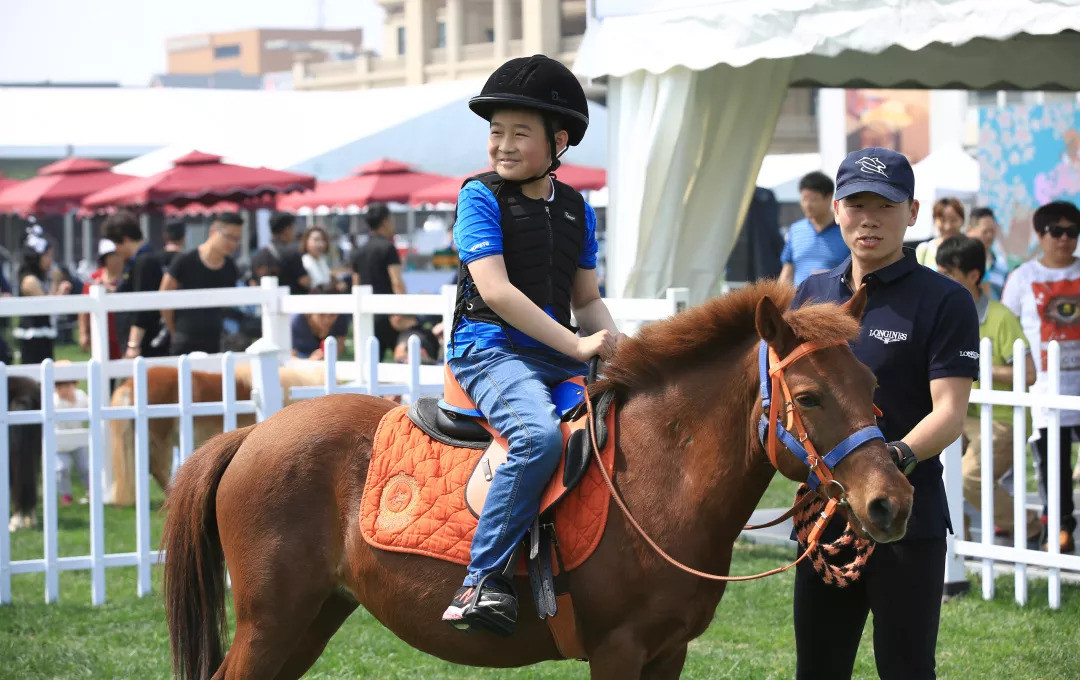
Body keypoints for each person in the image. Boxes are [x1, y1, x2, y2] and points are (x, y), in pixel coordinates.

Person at [438, 54, 622, 634]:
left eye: (520, 133)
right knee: (538, 437)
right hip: (488, 349)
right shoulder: (478, 196)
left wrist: (620, 348)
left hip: (553, 355)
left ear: (558, 141)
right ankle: (481, 582)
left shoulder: (577, 208)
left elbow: (586, 300)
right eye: (497, 132)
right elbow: (494, 290)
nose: (503, 145)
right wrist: (576, 346)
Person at [791, 147, 979, 679]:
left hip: (905, 517)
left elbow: (949, 412)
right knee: (818, 670)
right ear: (836, 209)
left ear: (912, 213)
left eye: (886, 206)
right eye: (856, 204)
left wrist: (889, 462)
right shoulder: (811, 294)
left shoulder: (944, 300)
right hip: (824, 518)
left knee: (906, 669)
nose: (868, 219)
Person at [935, 235, 1041, 543]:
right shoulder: (944, 315)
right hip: (959, 415)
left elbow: (1029, 374)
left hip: (1002, 419)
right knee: (934, 471)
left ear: (973, 275)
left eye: (948, 273)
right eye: (939, 272)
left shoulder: (1000, 317)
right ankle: (959, 542)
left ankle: (1030, 527)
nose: (940, 280)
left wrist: (976, 367)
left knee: (971, 478)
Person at [1001, 200, 1080, 554]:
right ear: (1039, 234)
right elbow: (1006, 329)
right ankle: (1059, 528)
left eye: (1072, 232)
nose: (1065, 239)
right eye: (1056, 231)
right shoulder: (1023, 278)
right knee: (1053, 466)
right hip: (1045, 392)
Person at [160, 213, 242, 355]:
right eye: (229, 237)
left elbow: (225, 305)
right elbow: (163, 296)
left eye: (237, 239)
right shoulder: (184, 260)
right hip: (183, 339)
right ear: (213, 231)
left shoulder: (231, 268)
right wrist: (173, 330)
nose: (233, 244)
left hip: (216, 341)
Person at [102, 211, 171, 358]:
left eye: (116, 244)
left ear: (126, 239)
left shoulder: (144, 262)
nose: (116, 250)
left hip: (144, 346)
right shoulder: (135, 262)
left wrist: (133, 344)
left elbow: (143, 306)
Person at [351, 203, 410, 357]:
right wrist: (405, 308)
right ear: (385, 221)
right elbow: (396, 281)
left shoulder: (358, 251)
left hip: (368, 312)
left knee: (371, 360)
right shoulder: (388, 248)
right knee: (404, 355)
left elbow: (356, 283)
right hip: (389, 312)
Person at [779, 171, 848, 286]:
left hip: (836, 296)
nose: (807, 205)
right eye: (804, 199)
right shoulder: (795, 230)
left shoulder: (845, 230)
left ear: (829, 198)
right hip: (799, 297)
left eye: (814, 199)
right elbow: (787, 272)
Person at [15, 224, 71, 364]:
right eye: (47, 255)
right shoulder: (30, 280)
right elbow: (47, 306)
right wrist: (56, 283)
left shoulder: (41, 277)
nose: (50, 260)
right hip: (33, 337)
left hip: (44, 333)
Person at [77, 239, 124, 360]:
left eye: (118, 255)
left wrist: (109, 289)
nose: (116, 259)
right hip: (100, 332)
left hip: (123, 333)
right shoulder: (94, 279)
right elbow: (83, 309)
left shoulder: (127, 277)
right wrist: (83, 333)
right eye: (112, 256)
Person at [53, 363, 89, 506]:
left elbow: (89, 407)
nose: (65, 390)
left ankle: (90, 491)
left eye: (68, 386)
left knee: (85, 468)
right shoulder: (54, 401)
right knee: (62, 469)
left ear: (74, 385)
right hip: (60, 444)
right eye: (60, 387)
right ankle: (66, 494)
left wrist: (74, 402)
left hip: (78, 441)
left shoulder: (80, 396)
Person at [250, 212, 309, 295]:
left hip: (265, 302)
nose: (294, 232)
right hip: (289, 301)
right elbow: (304, 281)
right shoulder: (292, 253)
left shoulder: (258, 256)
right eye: (292, 228)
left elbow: (253, 283)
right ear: (287, 229)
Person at [966, 207, 1011, 300]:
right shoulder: (960, 262)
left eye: (992, 231)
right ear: (969, 230)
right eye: (985, 231)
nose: (990, 236)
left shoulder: (1001, 265)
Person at [915, 196, 965, 268]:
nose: (948, 227)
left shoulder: (970, 250)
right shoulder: (924, 249)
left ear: (962, 220)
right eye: (942, 220)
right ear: (934, 220)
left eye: (953, 220)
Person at [300, 226, 335, 292]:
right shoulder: (303, 261)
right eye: (316, 240)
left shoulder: (322, 260)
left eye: (323, 240)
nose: (320, 244)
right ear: (306, 241)